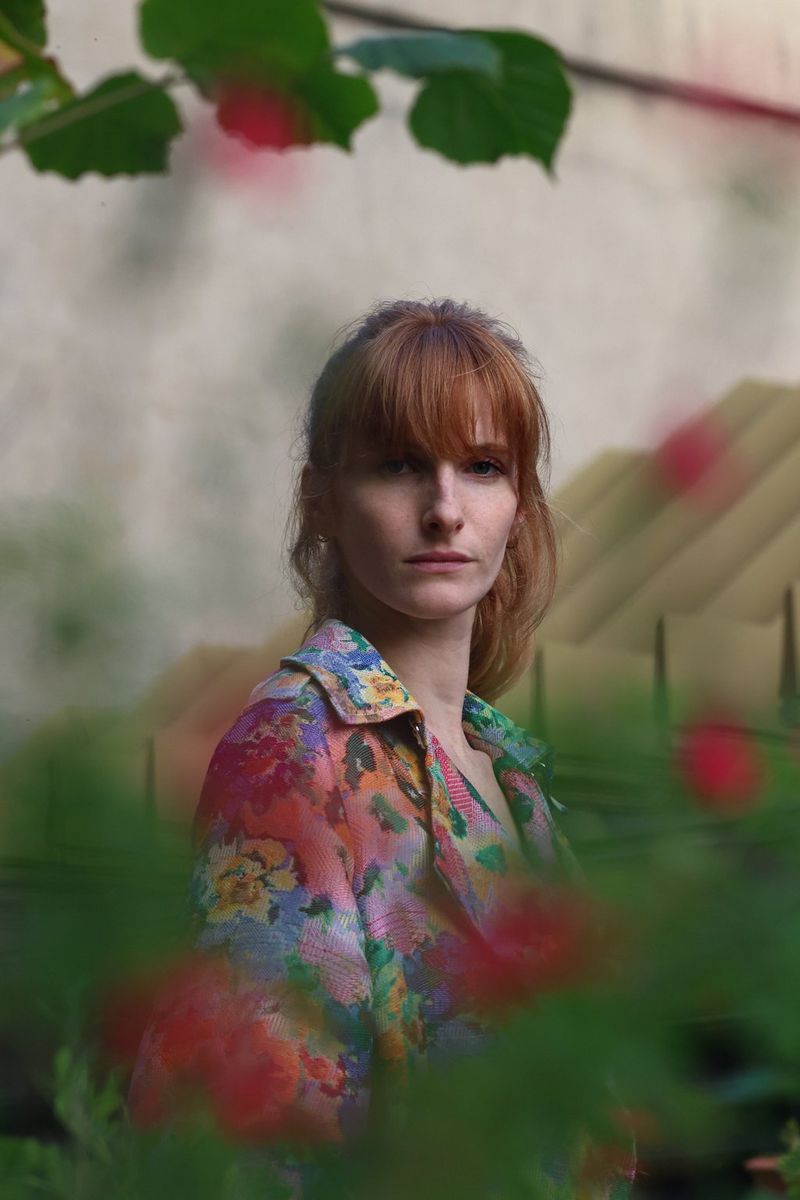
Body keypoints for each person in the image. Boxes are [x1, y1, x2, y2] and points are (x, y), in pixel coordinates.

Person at [128, 298, 632, 1196]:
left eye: (482, 466)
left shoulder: (508, 770)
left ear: (519, 504)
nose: (445, 509)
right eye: (399, 465)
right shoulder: (292, 755)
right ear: (320, 497)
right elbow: (255, 1143)